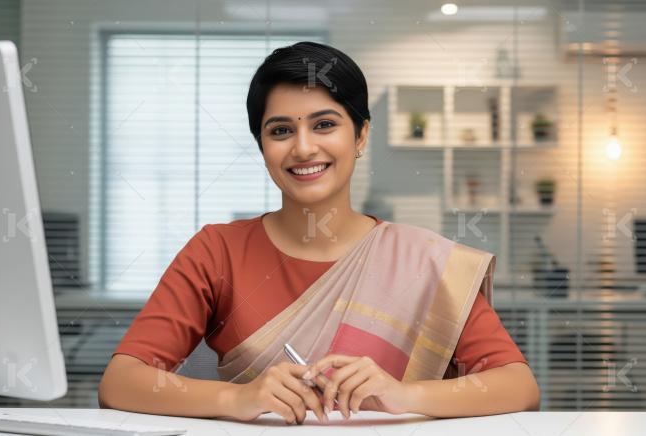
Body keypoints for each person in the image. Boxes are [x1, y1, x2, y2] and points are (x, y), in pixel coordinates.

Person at [98, 41, 539, 425]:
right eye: (281, 130)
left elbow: (517, 386)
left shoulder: (422, 259)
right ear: (262, 147)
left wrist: (403, 395)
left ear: (361, 135)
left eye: (324, 124)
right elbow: (122, 382)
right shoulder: (217, 251)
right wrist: (238, 397)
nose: (304, 147)